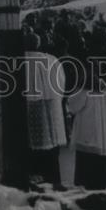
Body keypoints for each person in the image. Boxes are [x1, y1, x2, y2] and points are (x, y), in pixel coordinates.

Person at [67, 58, 106, 190]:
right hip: (102, 131)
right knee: (99, 157)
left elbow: (73, 107)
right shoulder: (104, 86)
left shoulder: (84, 88)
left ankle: (89, 183)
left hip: (87, 129)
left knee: (88, 157)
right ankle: (102, 181)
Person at [23, 32, 67, 186]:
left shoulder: (18, 61)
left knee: (31, 149)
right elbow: (61, 85)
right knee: (50, 149)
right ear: (39, 43)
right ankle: (54, 181)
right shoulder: (51, 60)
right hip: (49, 108)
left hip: (28, 110)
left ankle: (36, 183)